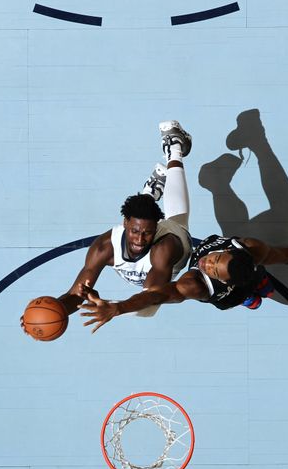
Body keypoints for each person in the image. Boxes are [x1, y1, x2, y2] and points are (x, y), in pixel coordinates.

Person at [22, 120, 194, 332]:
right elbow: (76, 295)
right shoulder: (104, 247)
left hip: (175, 246)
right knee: (139, 213)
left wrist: (115, 307)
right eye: (134, 231)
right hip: (137, 240)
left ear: (155, 230)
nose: (140, 240)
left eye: (147, 233)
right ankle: (150, 193)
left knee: (178, 218)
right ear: (124, 224)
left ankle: (174, 147)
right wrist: (46, 313)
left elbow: (152, 297)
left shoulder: (164, 248)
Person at [79, 221, 288, 332]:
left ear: (223, 280)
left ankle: (252, 293)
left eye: (213, 269)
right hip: (238, 281)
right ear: (229, 249)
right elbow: (156, 295)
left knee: (261, 291)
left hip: (234, 290)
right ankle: (253, 290)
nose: (207, 262)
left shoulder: (196, 283)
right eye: (216, 259)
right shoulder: (248, 249)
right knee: (254, 285)